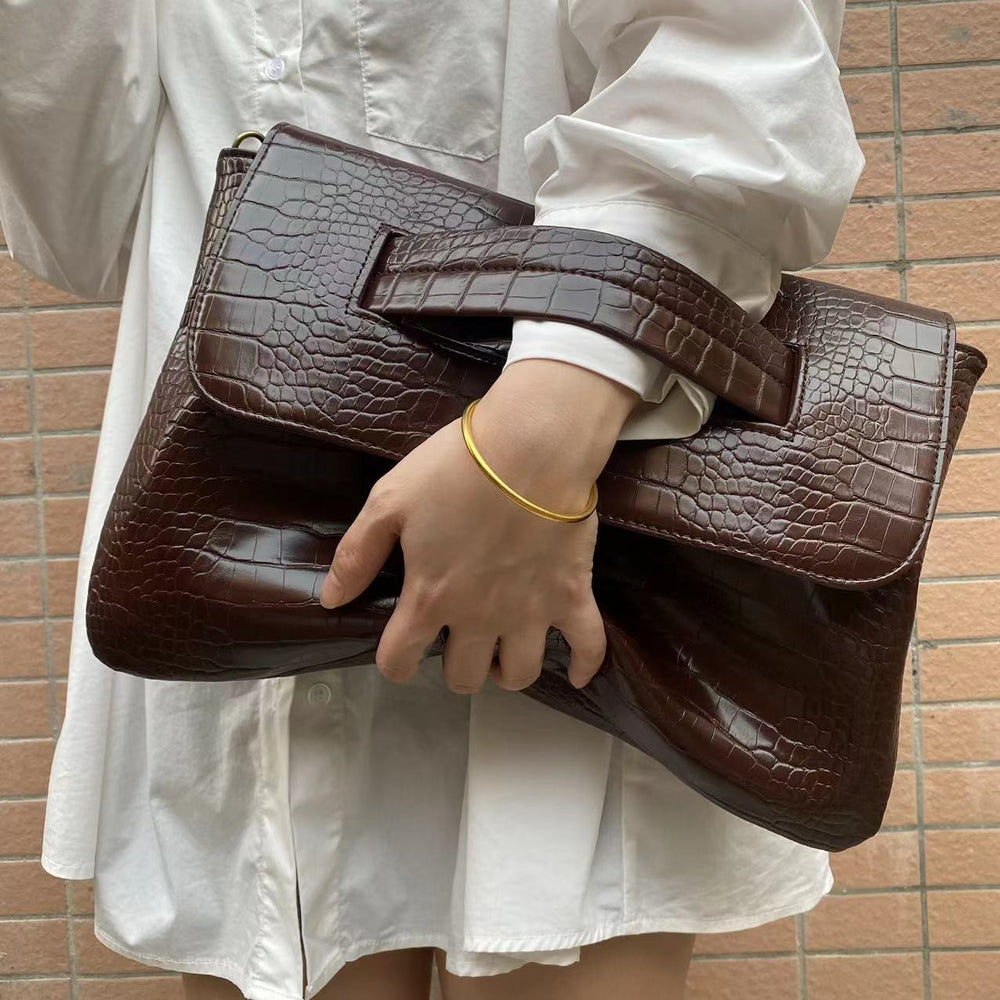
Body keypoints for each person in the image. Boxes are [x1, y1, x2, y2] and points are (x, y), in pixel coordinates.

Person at [0, 2, 864, 998]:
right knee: (295, 914)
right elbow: (86, 223)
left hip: (597, 487)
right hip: (247, 532)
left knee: (553, 910)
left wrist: (538, 439)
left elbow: (737, 77)